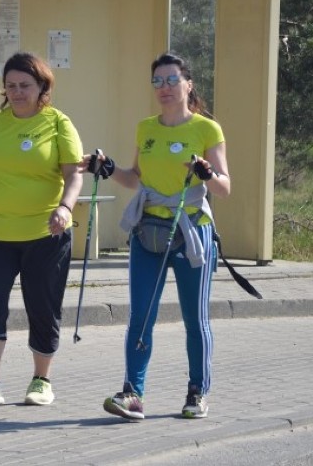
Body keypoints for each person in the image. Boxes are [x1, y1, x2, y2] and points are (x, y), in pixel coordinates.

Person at [88, 52, 230, 421]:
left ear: (188, 85)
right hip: (147, 231)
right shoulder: (146, 128)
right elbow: (136, 178)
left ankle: (197, 392)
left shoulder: (206, 129)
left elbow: (225, 186)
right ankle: (132, 394)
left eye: (171, 80)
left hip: (190, 232)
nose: (164, 88)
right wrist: (108, 168)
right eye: (157, 81)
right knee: (141, 315)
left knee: (194, 319)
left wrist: (206, 173)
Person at [0, 52, 84, 408]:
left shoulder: (59, 124)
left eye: (25, 85)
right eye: (10, 85)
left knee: (42, 307)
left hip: (47, 235)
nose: (16, 92)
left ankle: (41, 380)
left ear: (42, 86)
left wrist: (65, 208)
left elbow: (75, 174)